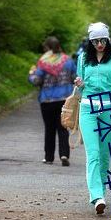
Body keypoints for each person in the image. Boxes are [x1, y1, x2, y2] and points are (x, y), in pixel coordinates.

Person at [74, 22, 111, 214]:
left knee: (105, 155)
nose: (99, 44)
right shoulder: (82, 59)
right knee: (93, 153)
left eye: (103, 40)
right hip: (87, 109)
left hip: (107, 109)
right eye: (95, 41)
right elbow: (80, 88)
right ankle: (97, 196)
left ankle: (101, 190)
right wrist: (79, 83)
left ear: (108, 39)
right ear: (90, 41)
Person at [28, 36, 77, 166]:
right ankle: (64, 154)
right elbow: (75, 78)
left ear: (47, 48)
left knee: (49, 129)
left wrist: (31, 74)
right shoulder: (68, 61)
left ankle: (49, 157)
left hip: (47, 100)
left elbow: (36, 81)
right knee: (63, 128)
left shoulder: (43, 62)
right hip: (64, 100)